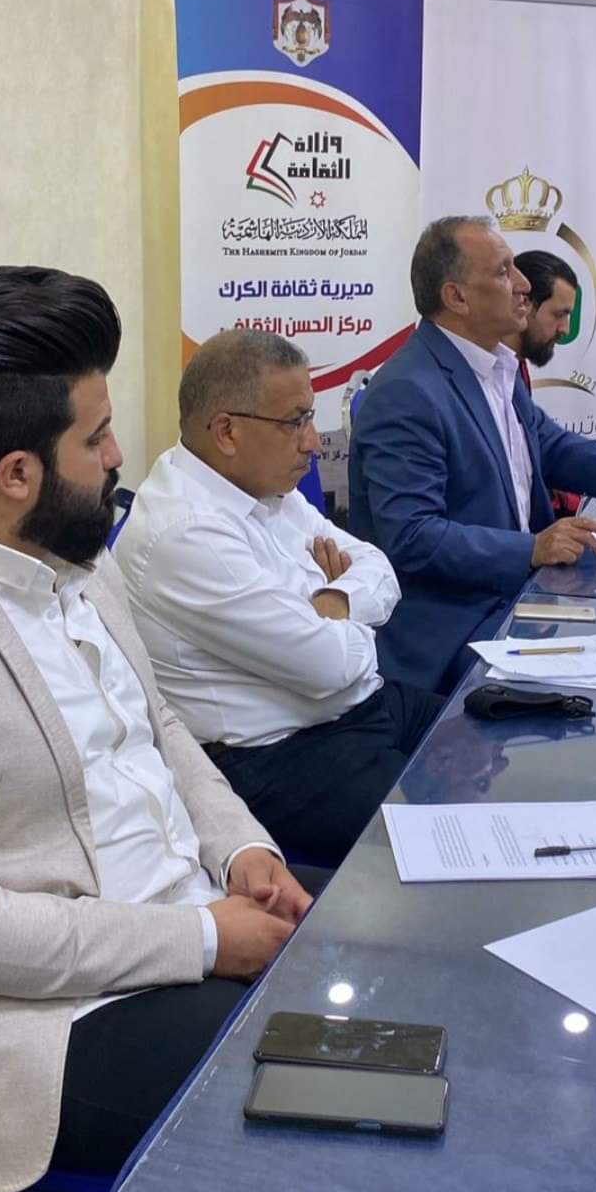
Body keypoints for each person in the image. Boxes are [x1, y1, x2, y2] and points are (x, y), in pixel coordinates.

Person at [0, 267, 311, 1192]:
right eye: (97, 436)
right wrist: (203, 938)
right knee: (309, 1114)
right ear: (18, 473)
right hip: (32, 1018)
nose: (121, 454)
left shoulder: (70, 545)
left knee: (373, 1006)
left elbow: (160, 725)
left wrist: (240, 849)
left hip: (189, 916)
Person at [114, 330, 444, 868]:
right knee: (450, 836)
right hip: (279, 757)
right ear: (227, 431)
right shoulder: (186, 532)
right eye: (295, 422)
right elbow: (331, 666)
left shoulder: (262, 485)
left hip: (360, 706)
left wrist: (331, 603)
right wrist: (345, 620)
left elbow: (380, 569)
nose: (313, 441)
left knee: (485, 736)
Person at [348, 215, 596, 693]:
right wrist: (531, 549)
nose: (524, 285)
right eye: (503, 271)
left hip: (514, 596)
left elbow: (546, 445)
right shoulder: (407, 392)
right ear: (457, 297)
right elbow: (412, 535)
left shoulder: (492, 365)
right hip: (451, 629)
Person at [506, 248, 581, 518]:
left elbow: (542, 448)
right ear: (524, 304)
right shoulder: (489, 370)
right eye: (559, 314)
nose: (565, 329)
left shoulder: (516, 367)